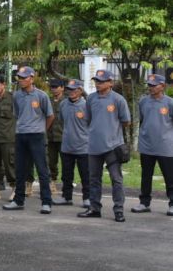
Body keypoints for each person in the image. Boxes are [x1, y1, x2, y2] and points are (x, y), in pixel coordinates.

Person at [78, 69, 131, 222]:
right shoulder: (91, 99)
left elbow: (125, 121)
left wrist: (112, 133)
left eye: (101, 81)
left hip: (113, 147)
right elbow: (88, 119)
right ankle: (94, 208)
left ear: (110, 83)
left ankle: (119, 210)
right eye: (96, 81)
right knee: (94, 179)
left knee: (116, 180)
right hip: (94, 146)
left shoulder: (118, 99)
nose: (98, 84)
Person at [2, 67, 54, 213]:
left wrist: (41, 129)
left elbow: (50, 116)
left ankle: (46, 202)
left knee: (42, 170)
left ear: (31, 78)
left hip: (37, 136)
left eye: (24, 77)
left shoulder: (41, 96)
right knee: (20, 170)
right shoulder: (17, 95)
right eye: (19, 77)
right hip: (21, 135)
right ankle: (18, 200)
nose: (21, 80)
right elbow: (17, 114)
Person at [131, 73, 173, 216]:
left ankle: (172, 203)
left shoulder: (170, 103)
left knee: (169, 176)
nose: (151, 87)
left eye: (154, 85)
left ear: (162, 86)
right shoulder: (143, 101)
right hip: (147, 145)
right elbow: (142, 119)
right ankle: (144, 203)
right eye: (149, 85)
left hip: (165, 146)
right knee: (146, 176)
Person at [55, 79, 90, 207]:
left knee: (85, 175)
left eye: (74, 90)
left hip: (84, 147)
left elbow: (91, 124)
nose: (71, 92)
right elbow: (62, 121)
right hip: (66, 146)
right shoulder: (63, 104)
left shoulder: (87, 106)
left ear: (80, 91)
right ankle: (66, 197)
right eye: (69, 89)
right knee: (66, 175)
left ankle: (87, 198)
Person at [47, 78, 65, 195]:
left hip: (64, 137)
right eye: (52, 87)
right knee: (51, 161)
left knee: (66, 163)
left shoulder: (67, 101)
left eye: (56, 87)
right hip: (50, 136)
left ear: (62, 87)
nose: (53, 89)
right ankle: (52, 182)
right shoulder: (48, 100)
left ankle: (66, 185)